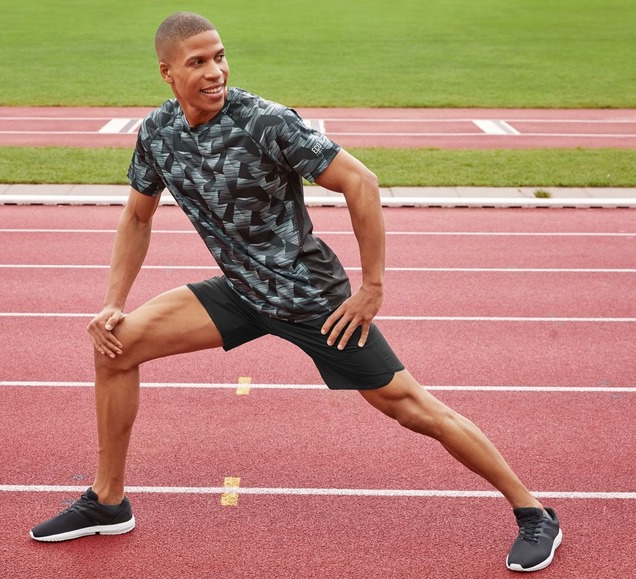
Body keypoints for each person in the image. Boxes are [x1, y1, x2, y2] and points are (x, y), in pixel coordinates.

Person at [30, 11, 562, 573]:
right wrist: (113, 301)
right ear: (167, 72)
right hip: (241, 292)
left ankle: (534, 512)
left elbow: (361, 180)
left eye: (220, 56)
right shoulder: (158, 134)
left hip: (311, 299)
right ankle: (108, 500)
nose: (216, 71)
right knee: (115, 343)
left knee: (410, 408)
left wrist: (372, 286)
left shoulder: (265, 121)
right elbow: (138, 217)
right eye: (198, 62)